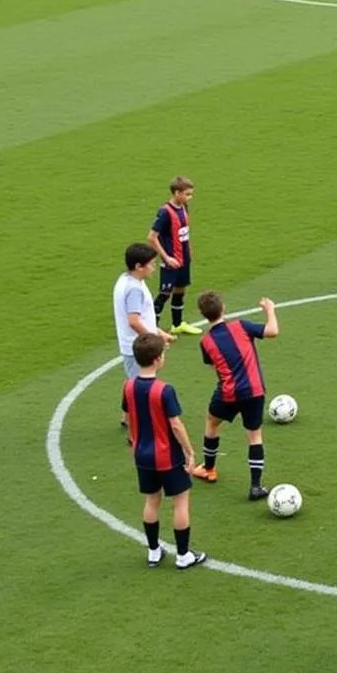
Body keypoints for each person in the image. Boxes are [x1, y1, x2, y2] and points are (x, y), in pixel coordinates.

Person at [122, 332, 205, 569]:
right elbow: (176, 425)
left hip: (142, 455)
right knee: (180, 502)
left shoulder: (128, 386)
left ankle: (153, 552)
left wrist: (133, 442)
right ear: (157, 359)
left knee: (151, 501)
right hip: (167, 455)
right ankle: (183, 555)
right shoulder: (164, 390)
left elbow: (128, 417)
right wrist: (189, 452)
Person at [192, 292, 279, 500]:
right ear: (223, 308)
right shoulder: (241, 326)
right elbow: (273, 331)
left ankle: (209, 469)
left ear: (204, 315)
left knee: (212, 423)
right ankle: (256, 486)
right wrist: (270, 311)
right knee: (254, 435)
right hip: (254, 390)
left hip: (227, 392)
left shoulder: (206, 342)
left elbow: (211, 362)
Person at [113, 243, 175, 424]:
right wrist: (154, 339)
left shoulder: (125, 280)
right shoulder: (134, 289)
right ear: (139, 266)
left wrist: (159, 332)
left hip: (133, 342)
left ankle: (127, 418)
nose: (154, 267)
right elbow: (133, 321)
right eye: (151, 264)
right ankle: (137, 427)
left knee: (132, 381)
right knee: (140, 387)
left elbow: (141, 318)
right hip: (137, 346)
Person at [148, 176, 201, 335]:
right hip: (170, 259)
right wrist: (166, 258)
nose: (190, 198)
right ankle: (152, 327)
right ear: (177, 193)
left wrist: (189, 249)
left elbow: (184, 231)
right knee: (165, 293)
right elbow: (151, 237)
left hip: (183, 258)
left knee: (180, 289)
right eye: (187, 194)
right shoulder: (164, 212)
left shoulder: (184, 207)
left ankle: (177, 324)